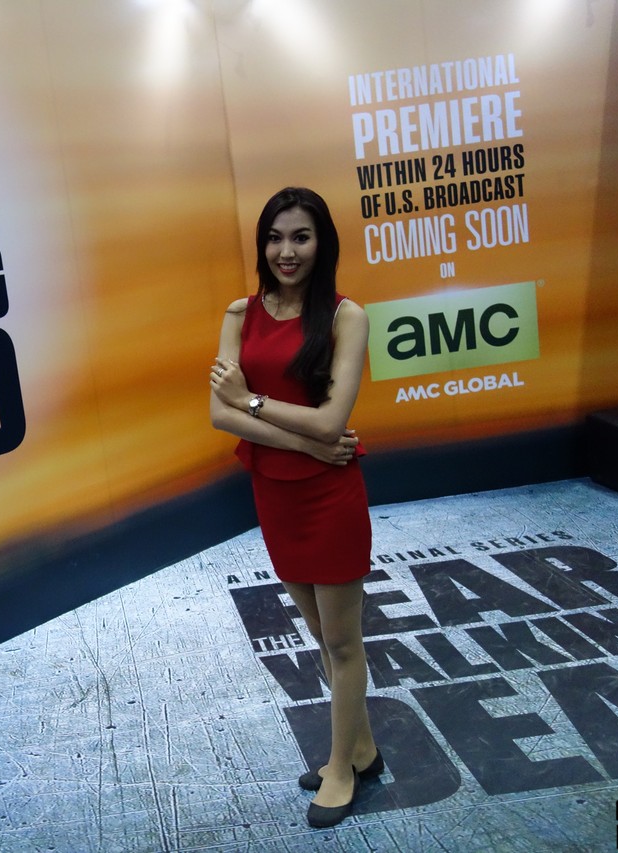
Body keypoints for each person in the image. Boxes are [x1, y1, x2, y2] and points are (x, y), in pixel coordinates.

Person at [209, 187, 380, 829]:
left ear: (321, 243)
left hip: (329, 496)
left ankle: (341, 769)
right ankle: (363, 749)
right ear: (262, 245)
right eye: (276, 237)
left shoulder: (345, 316)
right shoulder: (239, 313)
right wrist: (304, 440)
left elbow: (332, 420)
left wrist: (252, 401)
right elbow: (219, 413)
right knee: (320, 634)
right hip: (275, 491)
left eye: (301, 237)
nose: (287, 251)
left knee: (341, 641)